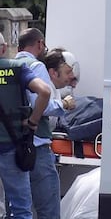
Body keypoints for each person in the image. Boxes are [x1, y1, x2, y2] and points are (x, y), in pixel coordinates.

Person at [15, 29, 76, 219]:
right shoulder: (36, 66)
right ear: (40, 44)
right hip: (37, 146)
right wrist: (64, 104)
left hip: (12, 146)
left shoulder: (10, 66)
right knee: (48, 209)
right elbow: (42, 104)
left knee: (20, 208)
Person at [0, 32, 51, 219]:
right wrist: (32, 122)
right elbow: (45, 92)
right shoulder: (18, 68)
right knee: (20, 208)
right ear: (4, 48)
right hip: (12, 148)